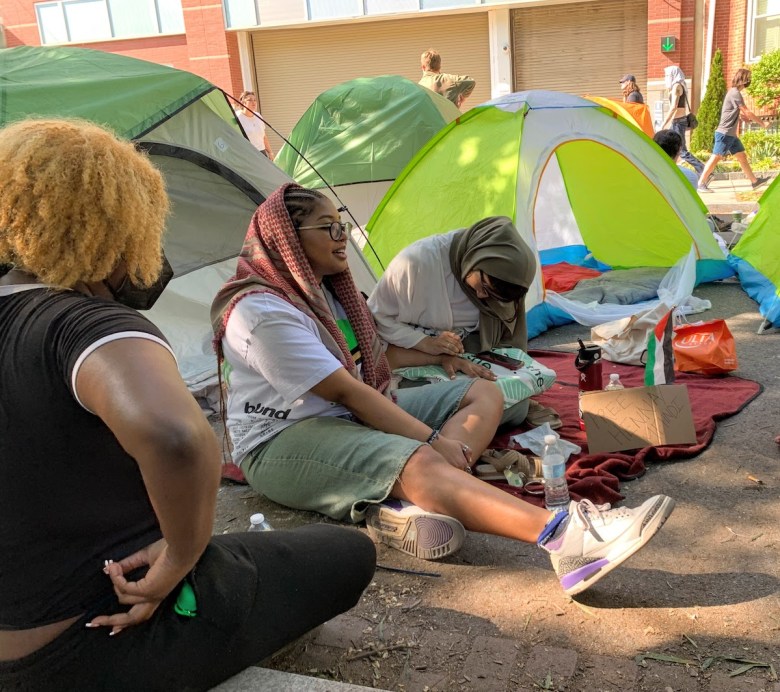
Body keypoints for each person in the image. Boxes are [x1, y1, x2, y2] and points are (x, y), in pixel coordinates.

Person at [0, 119, 375, 691]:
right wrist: (180, 552)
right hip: (92, 639)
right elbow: (175, 438)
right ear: (120, 227)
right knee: (348, 553)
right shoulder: (86, 324)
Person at [211, 182, 676, 599]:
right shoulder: (261, 312)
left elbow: (375, 363)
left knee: (487, 395)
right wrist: (434, 441)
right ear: (289, 238)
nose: (343, 237)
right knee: (420, 458)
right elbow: (349, 393)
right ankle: (567, 538)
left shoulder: (324, 293)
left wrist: (442, 359)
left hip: (344, 417)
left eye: (342, 224)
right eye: (328, 227)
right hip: (282, 440)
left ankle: (403, 504)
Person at [366, 217, 536, 425]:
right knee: (456, 406)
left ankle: (456, 422)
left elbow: (504, 339)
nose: (482, 297)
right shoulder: (416, 263)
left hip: (466, 350)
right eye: (484, 286)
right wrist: (428, 344)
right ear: (476, 260)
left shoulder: (501, 278)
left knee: (516, 406)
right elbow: (376, 319)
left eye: (493, 295)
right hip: (407, 353)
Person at [697, 68, 770, 193]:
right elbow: (746, 110)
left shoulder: (734, 93)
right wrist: (763, 123)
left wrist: (742, 118)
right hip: (725, 133)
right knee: (716, 157)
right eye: (748, 78)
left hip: (731, 135)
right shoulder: (735, 93)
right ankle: (701, 184)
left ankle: (754, 182)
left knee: (742, 157)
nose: (749, 80)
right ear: (742, 80)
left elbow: (734, 112)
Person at [660, 65, 705, 178]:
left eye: (667, 75)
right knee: (667, 145)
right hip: (677, 122)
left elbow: (673, 107)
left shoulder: (676, 86)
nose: (666, 77)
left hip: (678, 122)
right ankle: (669, 169)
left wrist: (664, 123)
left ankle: (703, 171)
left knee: (682, 150)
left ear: (673, 75)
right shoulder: (679, 85)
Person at [235, 90, 274, 159]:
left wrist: (270, 152)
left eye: (255, 100)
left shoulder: (258, 116)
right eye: (250, 100)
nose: (254, 103)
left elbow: (264, 136)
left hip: (262, 153)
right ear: (243, 103)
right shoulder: (237, 117)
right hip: (247, 155)